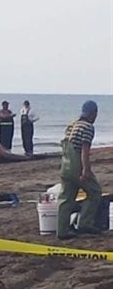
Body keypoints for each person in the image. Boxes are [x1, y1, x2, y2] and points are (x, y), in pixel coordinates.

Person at [56, 100, 101, 240]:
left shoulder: (72, 125)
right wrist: (86, 169)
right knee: (94, 192)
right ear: (93, 113)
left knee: (66, 198)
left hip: (65, 166)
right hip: (77, 166)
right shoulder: (87, 127)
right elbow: (84, 150)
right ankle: (85, 223)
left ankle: (62, 230)